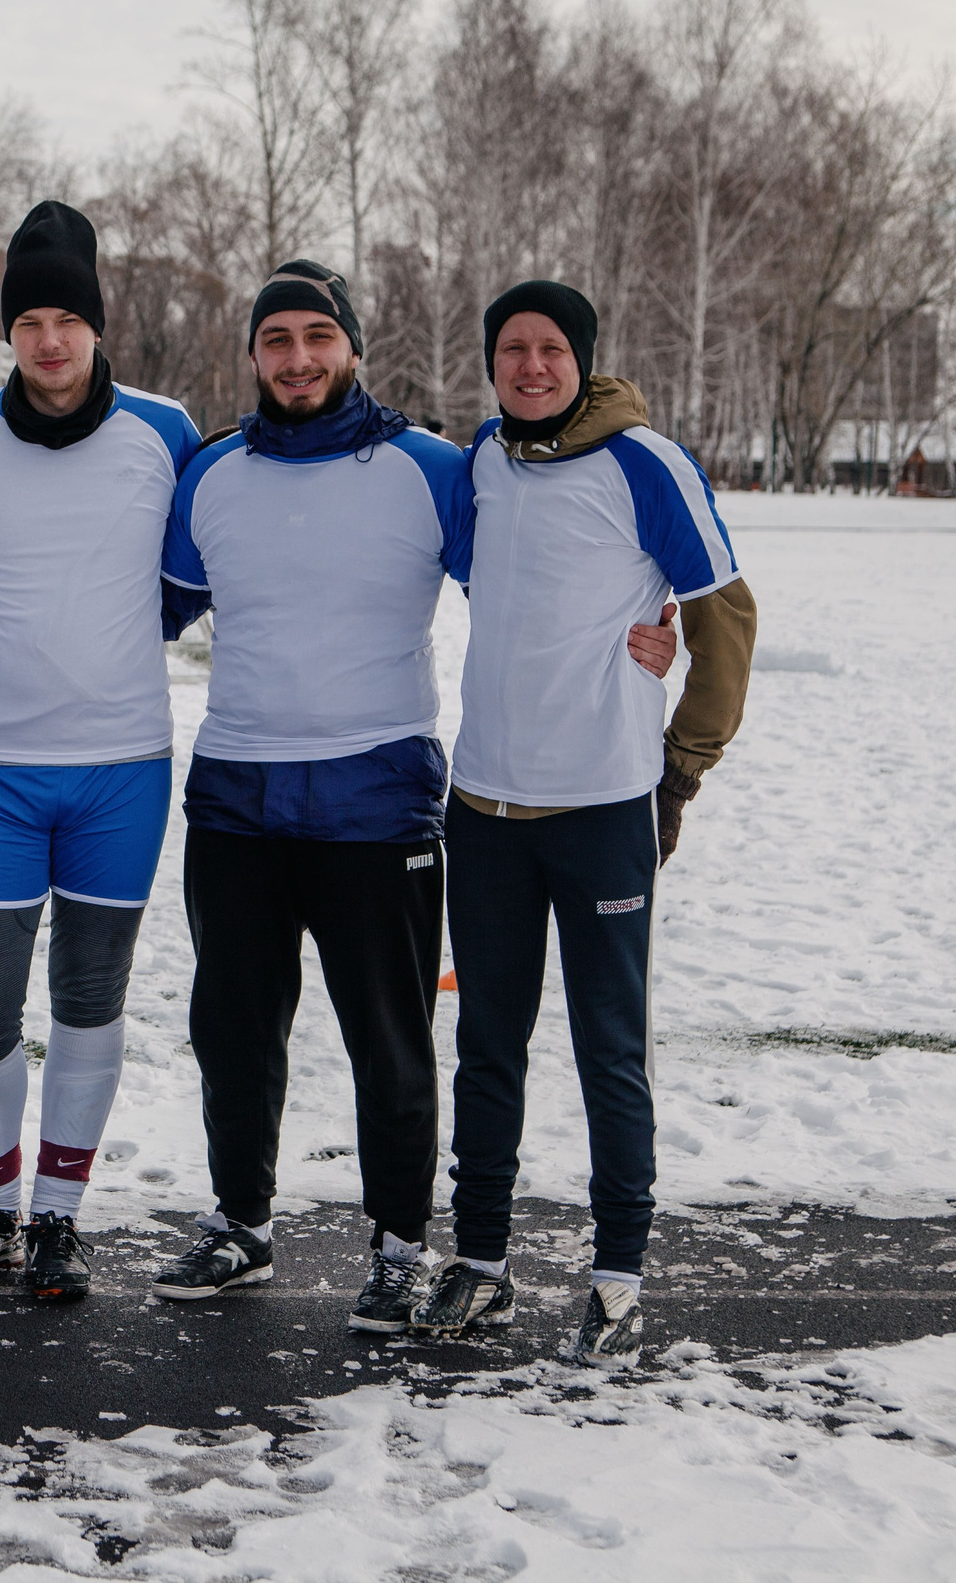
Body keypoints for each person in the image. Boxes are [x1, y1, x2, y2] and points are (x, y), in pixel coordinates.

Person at [151, 263, 677, 1331]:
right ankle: (241, 1226)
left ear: (351, 347)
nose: (297, 358)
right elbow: (137, 606)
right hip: (236, 799)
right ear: (252, 356)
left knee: (387, 1036)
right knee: (233, 1028)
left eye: (316, 336)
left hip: (377, 796)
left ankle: (398, 1246)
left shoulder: (434, 470)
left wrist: (647, 621)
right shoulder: (208, 476)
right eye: (275, 340)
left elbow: (541, 573)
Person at [412, 279, 756, 1367]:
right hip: (485, 808)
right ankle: (480, 1264)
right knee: (487, 1047)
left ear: (581, 357)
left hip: (604, 807)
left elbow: (726, 614)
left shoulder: (645, 461)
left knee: (609, 1046)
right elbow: (495, 585)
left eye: (548, 348)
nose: (529, 366)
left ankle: (617, 1272)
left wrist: (680, 763)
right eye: (509, 349)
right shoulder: (481, 463)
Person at [0, 201, 205, 1303]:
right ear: (8, 334)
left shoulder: (165, 431)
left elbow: (200, 568)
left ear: (98, 326)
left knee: (89, 999)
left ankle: (58, 1218)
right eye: (28, 319)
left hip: (122, 770)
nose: (47, 340)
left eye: (66, 319)